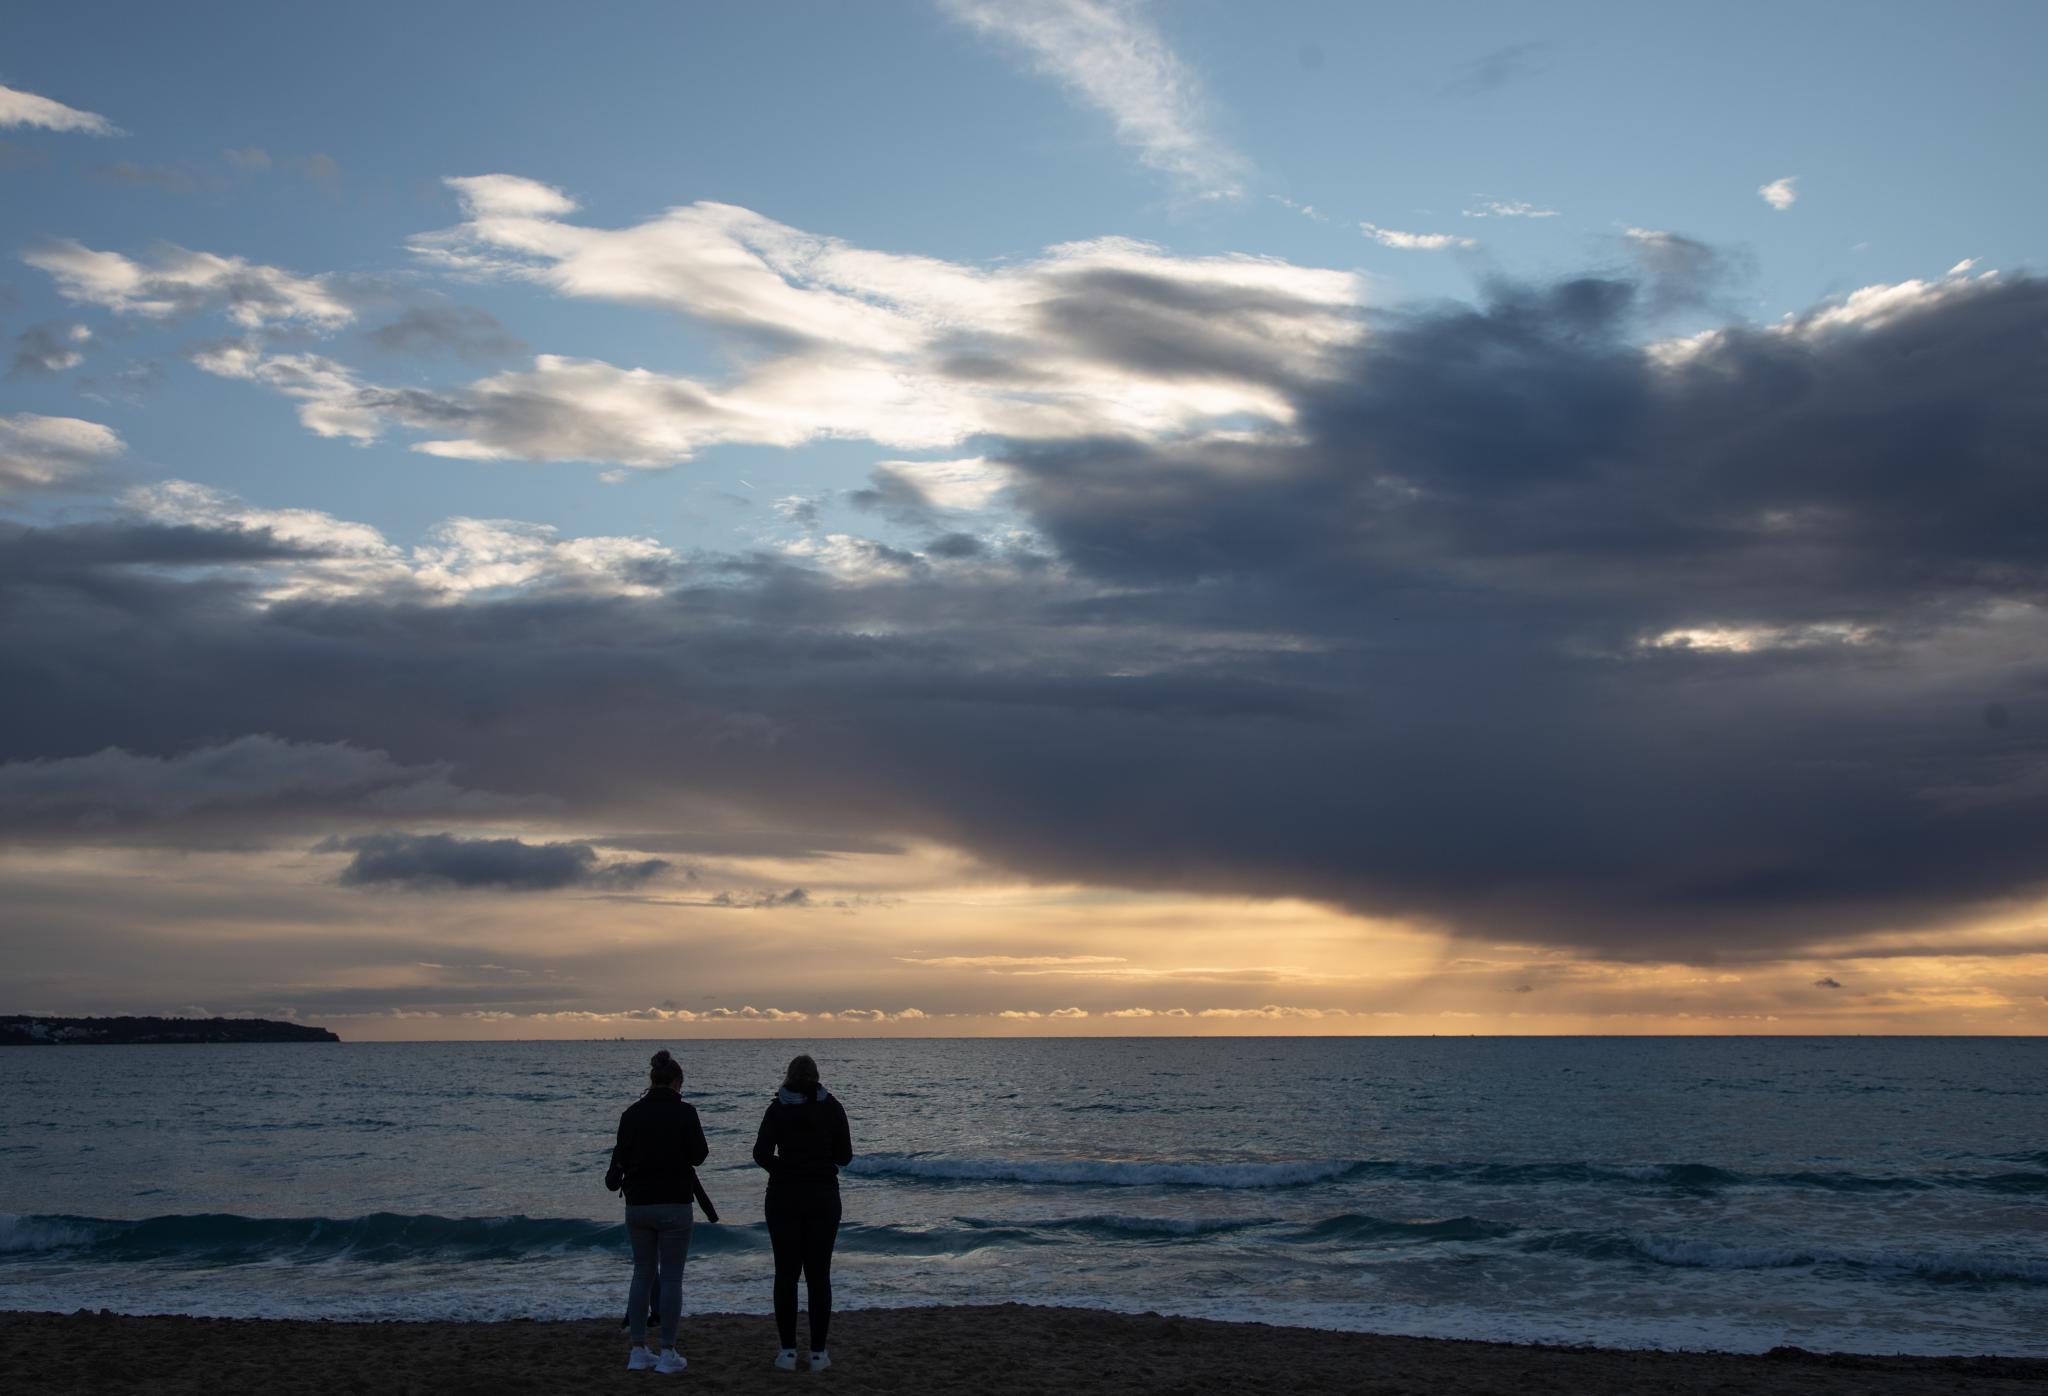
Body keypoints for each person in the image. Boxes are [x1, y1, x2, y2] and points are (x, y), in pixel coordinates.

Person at [606, 1048, 709, 1374]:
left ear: (652, 1080)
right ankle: (667, 1351)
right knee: (672, 1277)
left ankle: (638, 1349)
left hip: (638, 1204)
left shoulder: (631, 1114)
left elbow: (620, 1156)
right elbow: (699, 1155)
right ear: (677, 1082)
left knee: (642, 1273)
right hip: (675, 1203)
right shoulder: (686, 1112)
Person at [752, 1053, 853, 1372]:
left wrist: (785, 1169)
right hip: (823, 1196)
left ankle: (787, 1352)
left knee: (786, 1274)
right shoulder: (832, 1107)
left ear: (788, 1077)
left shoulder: (778, 1108)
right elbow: (845, 1156)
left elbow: (760, 1153)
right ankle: (820, 1353)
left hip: (783, 1197)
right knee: (819, 1275)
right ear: (817, 1077)